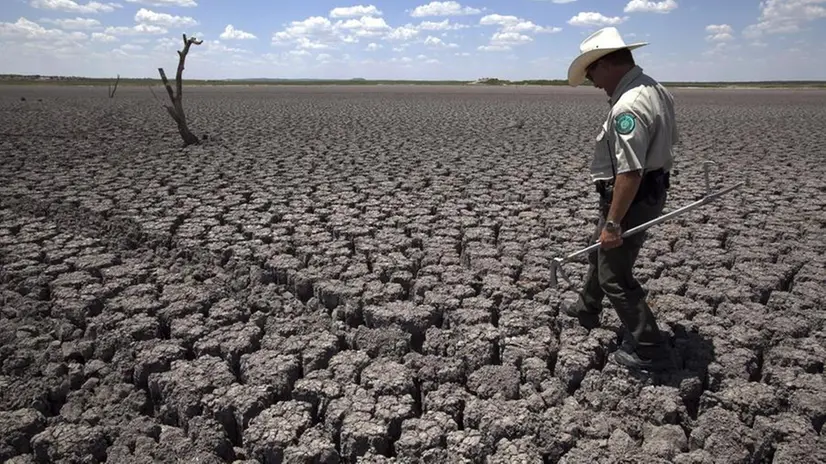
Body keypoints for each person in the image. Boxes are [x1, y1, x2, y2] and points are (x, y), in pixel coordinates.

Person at [562, 27, 678, 371]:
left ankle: (650, 349)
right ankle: (587, 307)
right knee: (601, 250)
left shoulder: (629, 106)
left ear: (607, 64)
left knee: (615, 273)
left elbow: (630, 172)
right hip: (645, 192)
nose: (594, 83)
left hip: (631, 198)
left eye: (592, 73)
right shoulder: (654, 88)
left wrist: (613, 222)